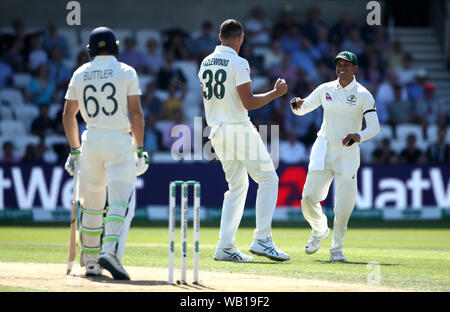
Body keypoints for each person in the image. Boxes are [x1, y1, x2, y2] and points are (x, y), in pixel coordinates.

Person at [198, 19, 290, 262]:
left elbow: (205, 96)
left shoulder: (206, 62)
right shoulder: (239, 62)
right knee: (269, 179)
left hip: (216, 130)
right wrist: (276, 93)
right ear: (240, 38)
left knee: (237, 187)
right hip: (237, 127)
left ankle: (225, 246)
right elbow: (248, 102)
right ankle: (262, 239)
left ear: (220, 37)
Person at [62, 27, 149, 280]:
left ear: (91, 50)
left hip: (91, 141)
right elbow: (135, 113)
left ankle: (90, 262)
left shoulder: (80, 72)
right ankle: (109, 253)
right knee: (120, 201)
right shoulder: (126, 71)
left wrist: (75, 150)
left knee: (91, 205)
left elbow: (69, 115)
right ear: (116, 47)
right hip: (119, 141)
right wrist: (141, 148)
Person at [290, 51, 380, 262]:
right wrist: (295, 106)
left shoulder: (363, 94)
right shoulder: (325, 88)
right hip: (323, 147)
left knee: (344, 204)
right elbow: (303, 108)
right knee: (308, 197)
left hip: (347, 151)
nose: (341, 68)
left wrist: (358, 136)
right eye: (338, 64)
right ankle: (319, 229)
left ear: (355, 68)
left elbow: (375, 127)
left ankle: (336, 249)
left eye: (346, 65)